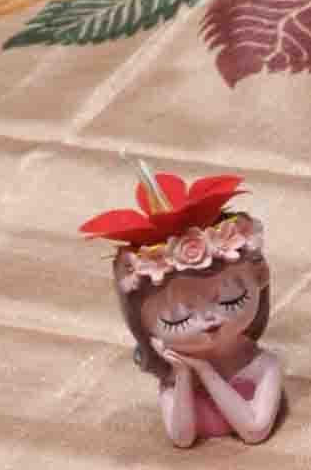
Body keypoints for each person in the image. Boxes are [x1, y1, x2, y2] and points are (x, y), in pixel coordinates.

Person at [80, 165, 284, 448]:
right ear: (144, 326)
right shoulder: (174, 376)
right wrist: (186, 374)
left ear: (260, 276)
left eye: (231, 300)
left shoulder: (263, 364)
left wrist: (207, 372)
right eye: (179, 319)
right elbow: (182, 438)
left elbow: (254, 430)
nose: (211, 319)